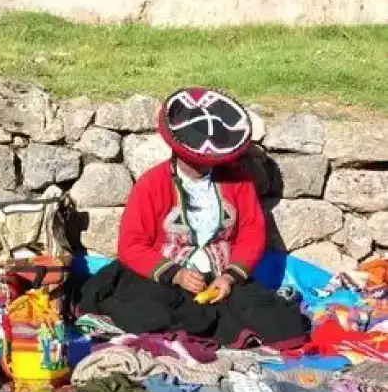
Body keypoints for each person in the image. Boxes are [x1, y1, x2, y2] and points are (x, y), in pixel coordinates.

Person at [78, 87, 309, 348]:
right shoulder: (152, 184)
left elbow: (251, 233)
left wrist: (229, 277)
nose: (207, 164)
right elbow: (131, 245)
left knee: (279, 324)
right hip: (164, 278)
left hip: (220, 277)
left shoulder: (238, 182)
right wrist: (176, 275)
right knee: (150, 313)